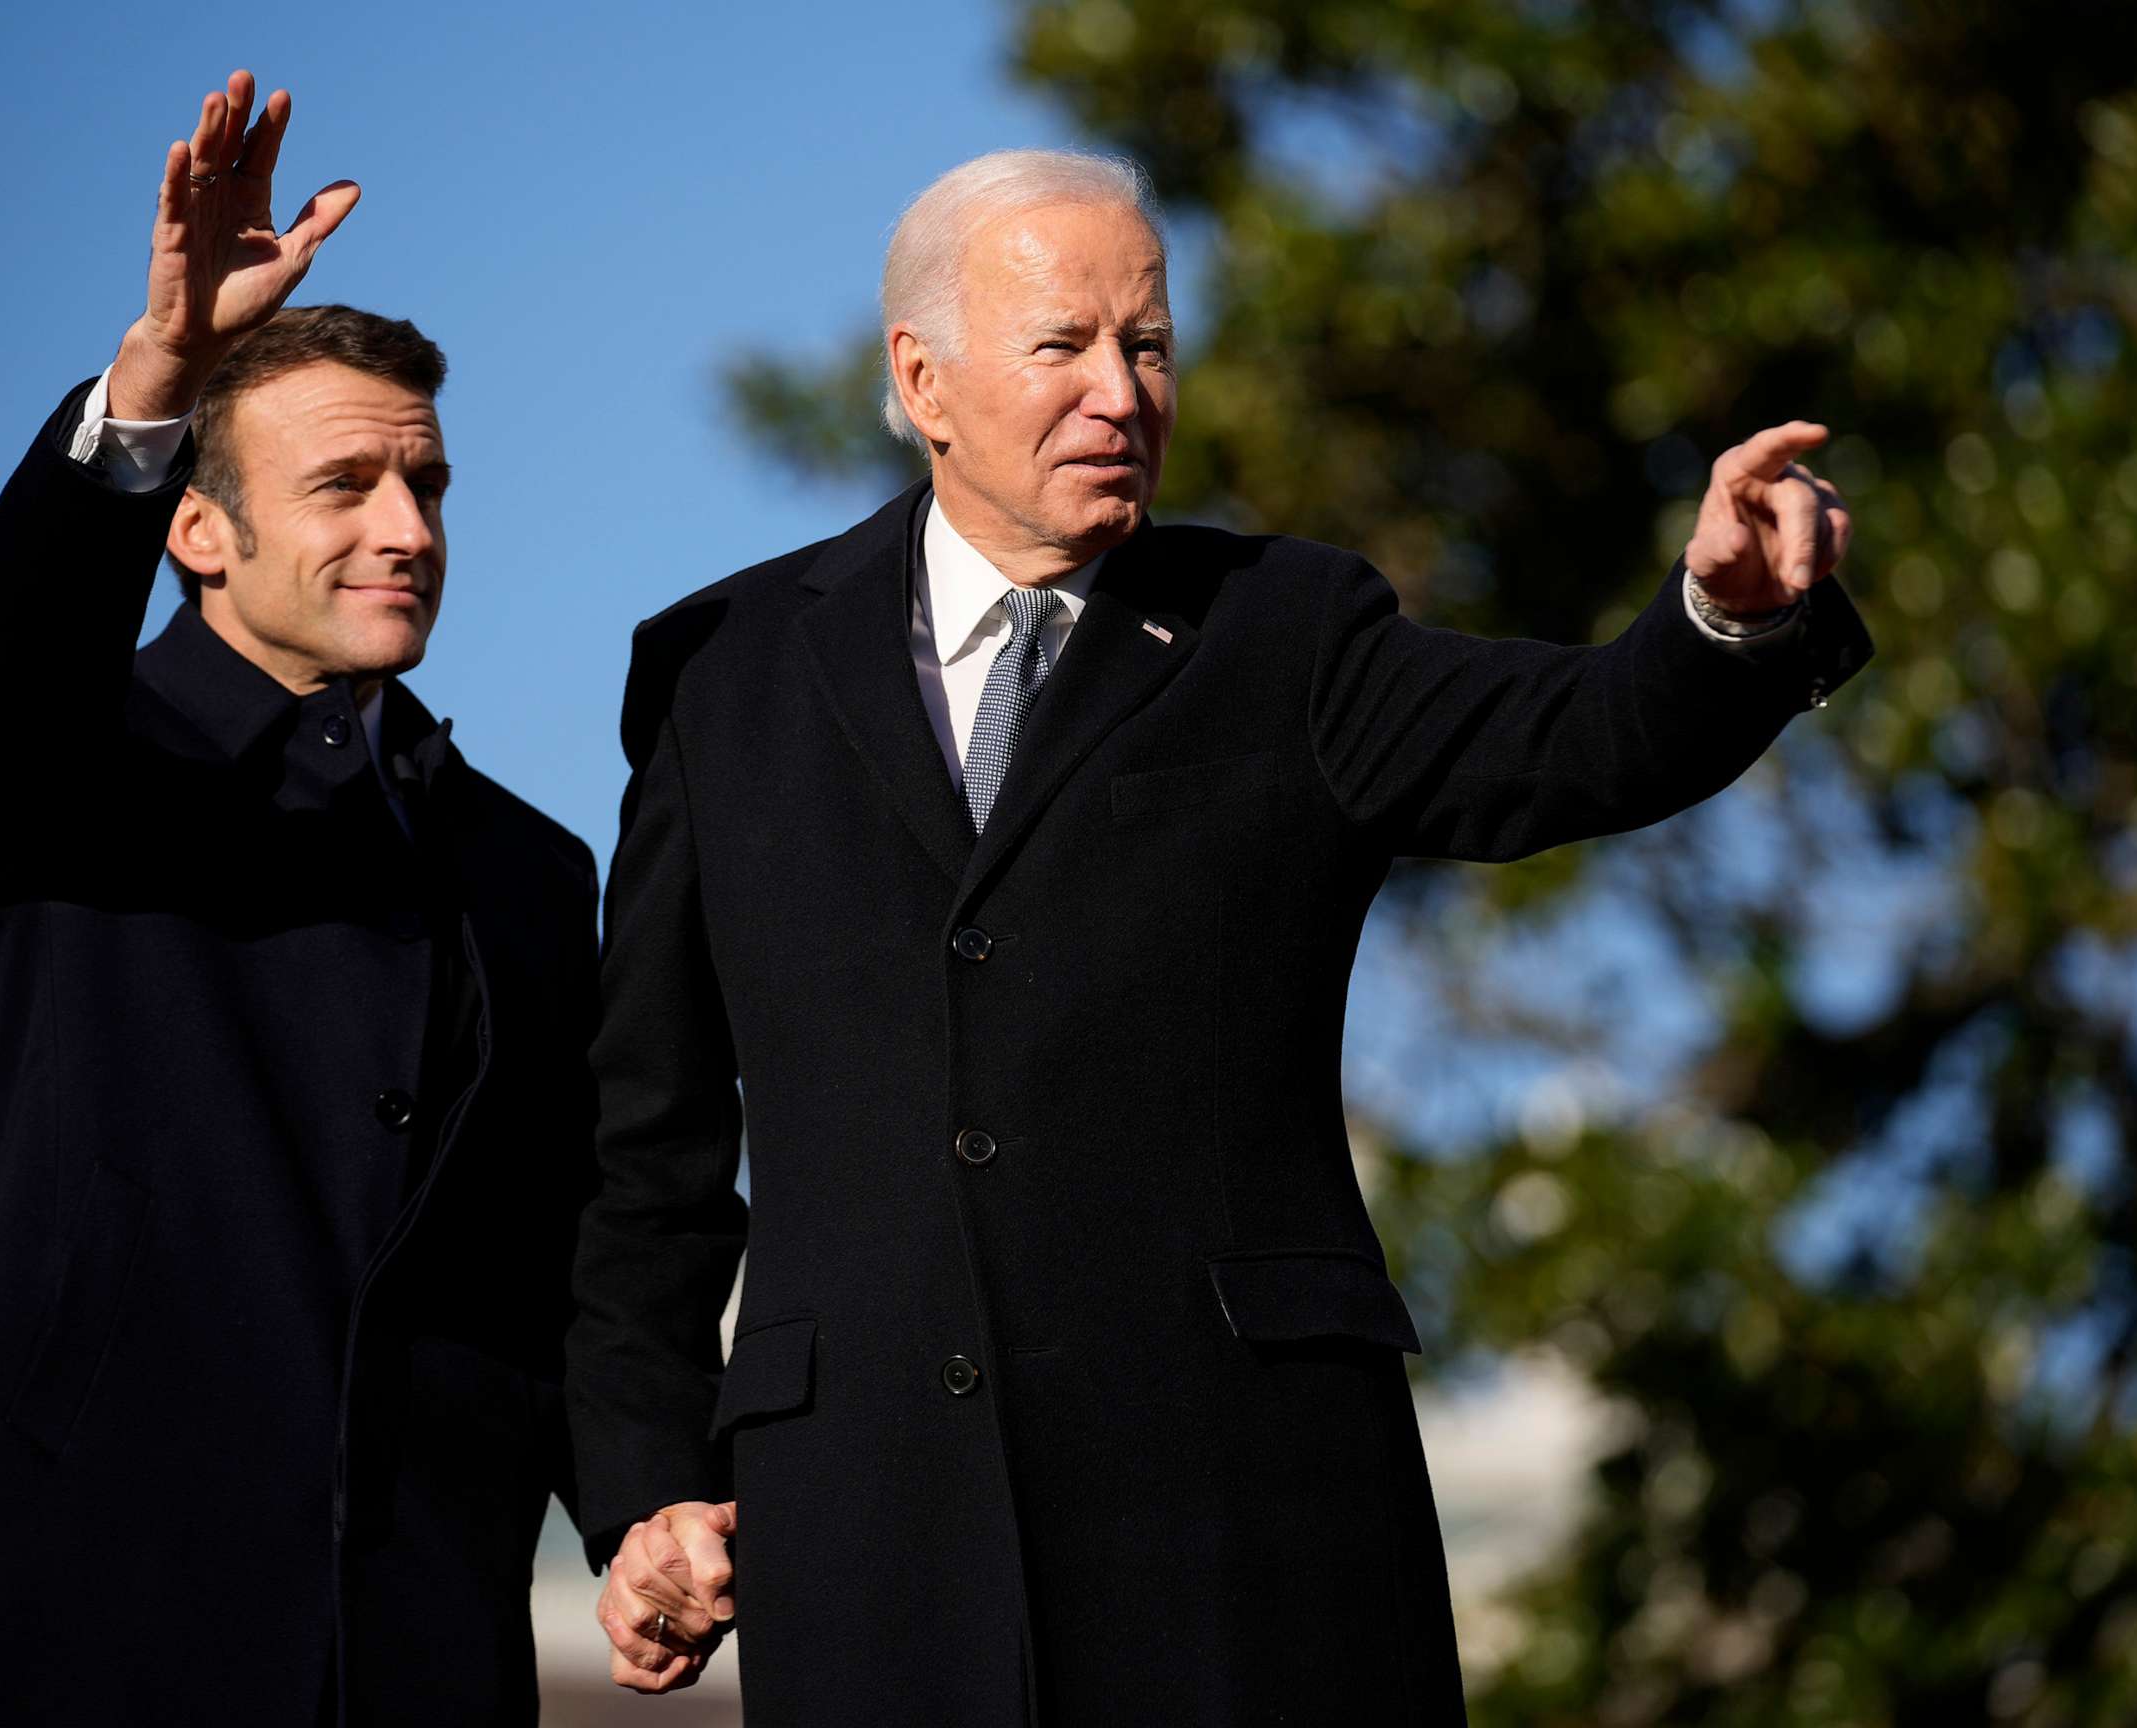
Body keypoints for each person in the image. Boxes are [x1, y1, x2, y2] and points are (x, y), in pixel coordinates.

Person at [568, 149, 1873, 1723]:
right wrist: (645, 1486)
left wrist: (1721, 618)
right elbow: (644, 1156)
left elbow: (1575, 735)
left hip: (1247, 1544)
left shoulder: (1289, 633)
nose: (1121, 391)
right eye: (1064, 346)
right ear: (924, 377)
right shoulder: (732, 677)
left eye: (1150, 344)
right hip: (873, 1547)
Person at [0, 71, 601, 1726]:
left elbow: (557, 1255)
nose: (409, 530)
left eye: (427, 485)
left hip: (413, 1651)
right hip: (52, 1629)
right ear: (198, 532)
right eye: (346, 488)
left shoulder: (530, 865)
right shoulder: (63, 770)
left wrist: (645, 1505)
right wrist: (155, 369)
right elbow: (5, 673)